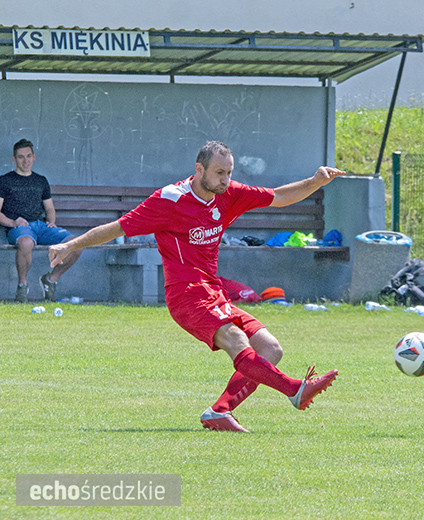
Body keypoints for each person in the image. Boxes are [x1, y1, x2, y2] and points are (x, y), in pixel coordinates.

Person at [49, 141, 342, 432]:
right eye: (219, 173)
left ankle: (220, 411)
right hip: (186, 295)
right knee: (237, 340)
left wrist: (315, 181)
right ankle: (295, 390)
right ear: (199, 169)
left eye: (229, 172)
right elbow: (118, 228)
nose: (225, 180)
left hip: (214, 291)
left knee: (270, 349)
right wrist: (71, 244)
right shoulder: (169, 200)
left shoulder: (229, 193)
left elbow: (279, 196)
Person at [0, 139, 82, 303]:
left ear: (34, 157)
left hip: (41, 226)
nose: (26, 160)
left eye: (28, 156)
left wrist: (51, 221)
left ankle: (51, 280)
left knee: (76, 244)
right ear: (14, 159)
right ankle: (22, 286)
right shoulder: (4, 180)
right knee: (26, 243)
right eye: (21, 157)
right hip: (20, 228)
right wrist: (13, 223)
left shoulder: (41, 180)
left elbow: (49, 208)